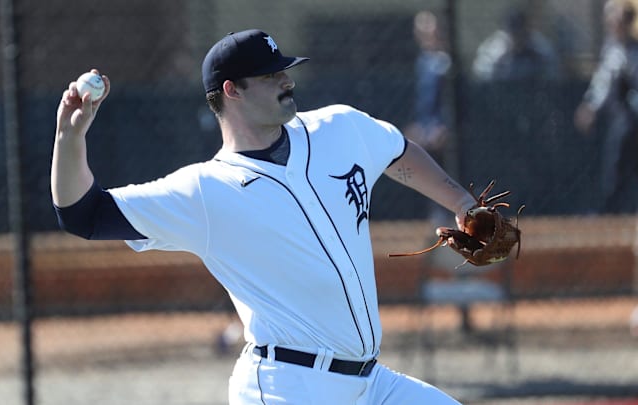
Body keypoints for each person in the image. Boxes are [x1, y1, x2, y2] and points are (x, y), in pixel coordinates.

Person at [52, 29, 477, 404]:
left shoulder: (339, 128)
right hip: (288, 388)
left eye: (284, 69)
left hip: (372, 384)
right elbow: (84, 214)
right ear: (232, 90)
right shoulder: (205, 191)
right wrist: (68, 139)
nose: (287, 79)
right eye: (271, 74)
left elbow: (397, 151)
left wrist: (462, 204)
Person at [574, 0, 638, 214]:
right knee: (615, 167)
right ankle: (612, 212)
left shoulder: (633, 49)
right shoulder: (613, 50)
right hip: (623, 120)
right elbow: (602, 83)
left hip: (632, 119)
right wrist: (590, 107)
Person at [403, 10, 453, 225]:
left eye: (428, 29)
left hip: (443, 129)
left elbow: (451, 100)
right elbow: (421, 101)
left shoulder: (447, 61)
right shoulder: (422, 62)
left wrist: (444, 126)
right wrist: (418, 126)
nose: (423, 34)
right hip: (425, 127)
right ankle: (434, 215)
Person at [472, 7, 560, 82]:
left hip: (534, 93)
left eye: (521, 32)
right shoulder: (495, 49)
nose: (518, 38)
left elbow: (553, 72)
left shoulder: (539, 46)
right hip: (501, 93)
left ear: (527, 30)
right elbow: (481, 73)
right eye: (514, 33)